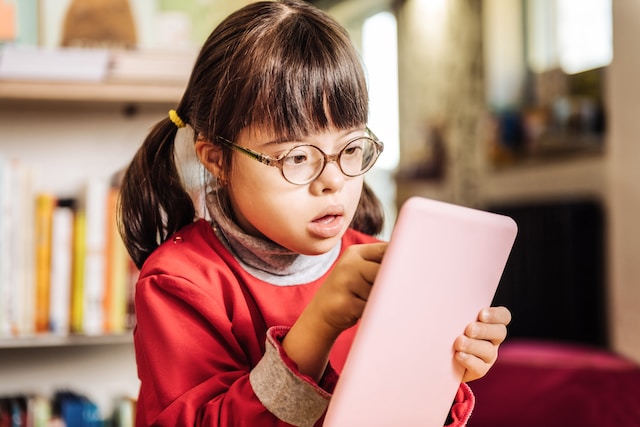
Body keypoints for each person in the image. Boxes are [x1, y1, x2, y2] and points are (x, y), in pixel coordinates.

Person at [117, 1, 512, 426]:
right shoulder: (179, 282)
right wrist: (318, 326)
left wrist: (442, 372)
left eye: (351, 149)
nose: (333, 180)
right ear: (216, 159)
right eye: (298, 156)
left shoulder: (380, 267)